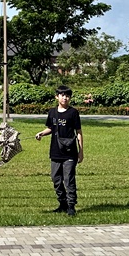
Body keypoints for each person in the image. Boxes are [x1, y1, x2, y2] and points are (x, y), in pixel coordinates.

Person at [34, 85, 83, 216]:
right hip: (55, 151)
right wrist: (41, 133)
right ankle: (62, 203)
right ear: (57, 97)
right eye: (62, 95)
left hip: (70, 152)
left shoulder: (73, 113)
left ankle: (71, 206)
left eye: (67, 96)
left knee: (69, 179)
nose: (65, 98)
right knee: (56, 179)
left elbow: (78, 132)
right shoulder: (52, 112)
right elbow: (51, 128)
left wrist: (81, 151)